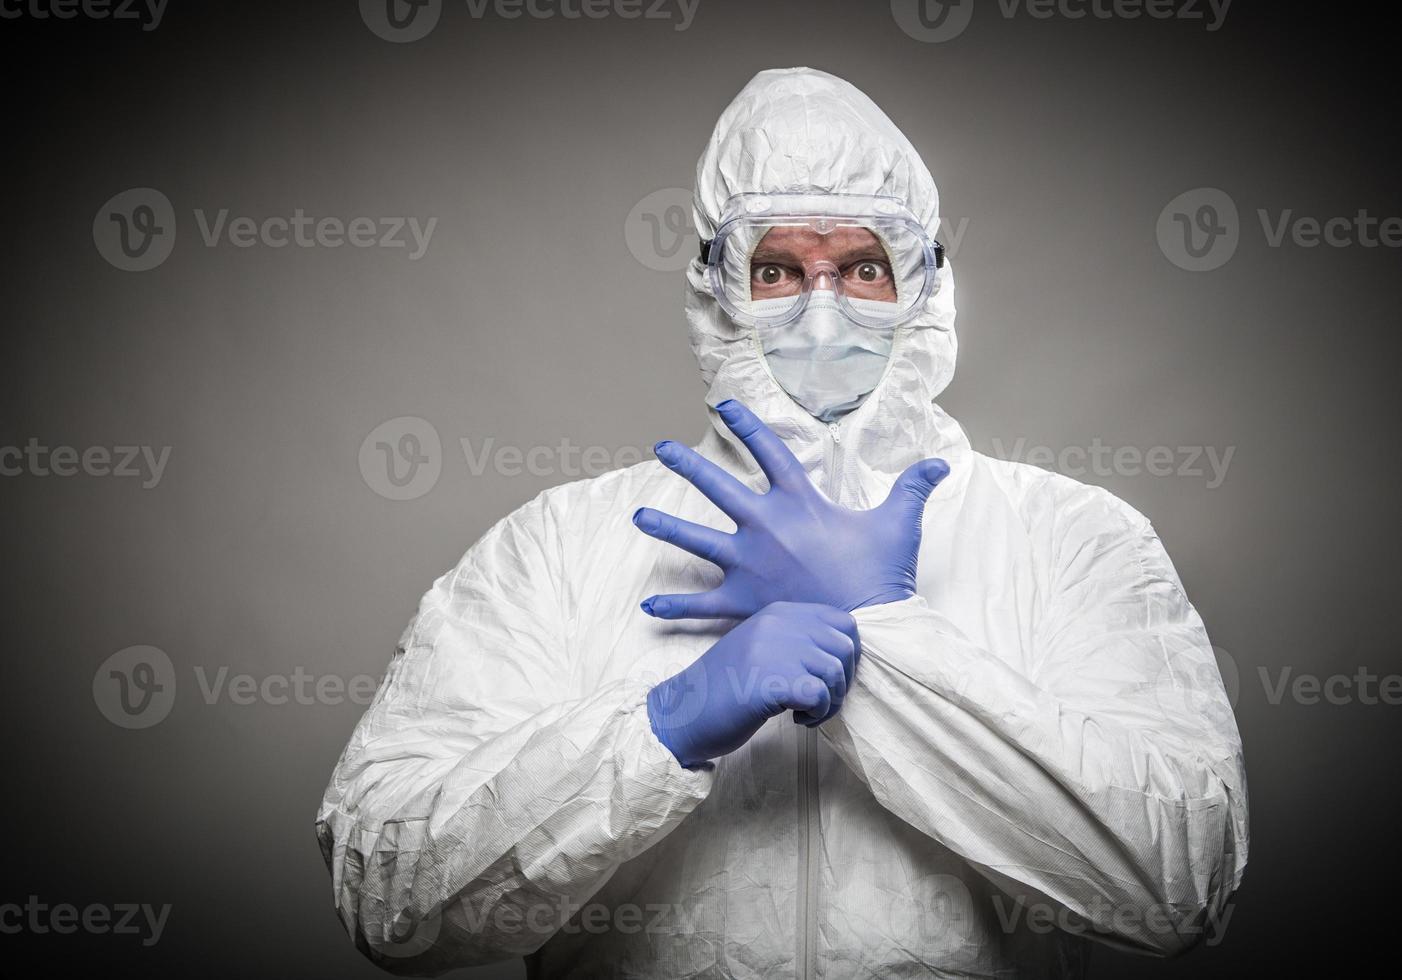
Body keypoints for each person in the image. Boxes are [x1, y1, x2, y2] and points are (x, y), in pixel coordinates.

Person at [316, 67, 1248, 978]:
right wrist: (660, 726)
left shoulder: (1072, 540)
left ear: (924, 284)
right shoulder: (561, 547)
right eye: (776, 269)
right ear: (714, 288)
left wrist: (881, 640)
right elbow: (390, 902)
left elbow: (1176, 887)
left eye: (863, 267)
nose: (822, 308)